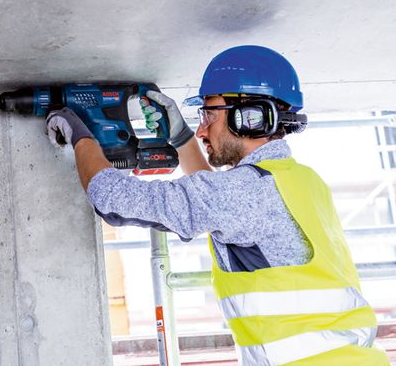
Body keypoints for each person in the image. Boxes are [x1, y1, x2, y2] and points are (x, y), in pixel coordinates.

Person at [45, 45, 389, 365]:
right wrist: (181, 139)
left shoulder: (246, 193)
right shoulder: (300, 181)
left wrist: (81, 134)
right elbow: (225, 203)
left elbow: (112, 198)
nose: (201, 130)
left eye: (209, 115)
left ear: (249, 117)